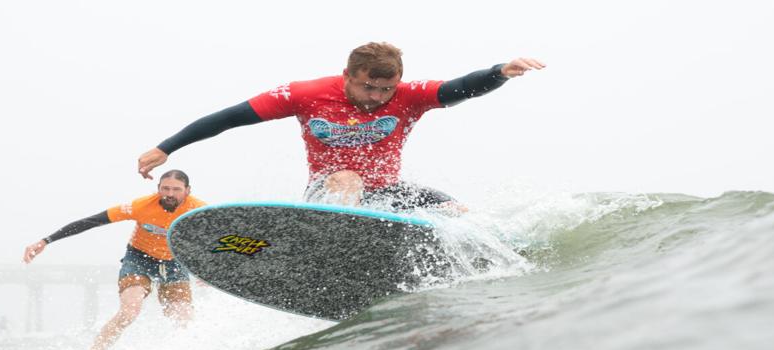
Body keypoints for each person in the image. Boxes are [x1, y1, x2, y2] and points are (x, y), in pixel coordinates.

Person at [136, 43, 545, 210]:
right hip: (327, 195)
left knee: (454, 210)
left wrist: (500, 72)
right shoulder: (305, 94)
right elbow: (229, 118)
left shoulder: (408, 95)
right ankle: (333, 240)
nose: (377, 97)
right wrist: (167, 147)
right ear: (347, 74)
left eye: (386, 89)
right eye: (368, 86)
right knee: (347, 177)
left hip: (386, 195)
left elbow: (460, 88)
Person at [23, 171, 206, 350]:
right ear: (158, 188)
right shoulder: (140, 206)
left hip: (175, 262)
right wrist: (46, 240)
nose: (170, 194)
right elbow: (92, 221)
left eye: (176, 189)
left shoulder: (200, 211)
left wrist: (209, 269)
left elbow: (217, 240)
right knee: (129, 311)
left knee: (184, 319)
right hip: (139, 259)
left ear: (187, 191)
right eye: (165, 188)